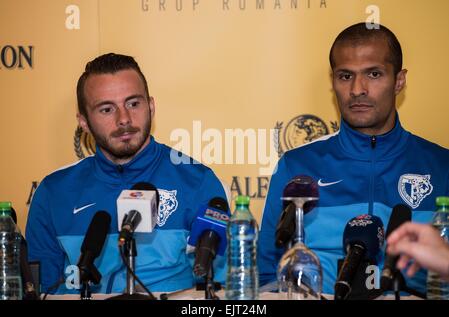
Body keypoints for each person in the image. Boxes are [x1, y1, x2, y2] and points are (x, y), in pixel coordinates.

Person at [258, 22, 449, 295]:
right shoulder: (297, 167)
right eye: (345, 76)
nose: (358, 89)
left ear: (399, 80)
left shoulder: (442, 168)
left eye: (373, 74)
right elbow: (267, 275)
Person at [25, 53, 228, 295]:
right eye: (107, 109)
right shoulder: (53, 192)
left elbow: (222, 290)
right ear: (84, 122)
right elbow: (43, 291)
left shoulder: (198, 182)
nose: (124, 119)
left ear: (151, 106)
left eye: (133, 104)